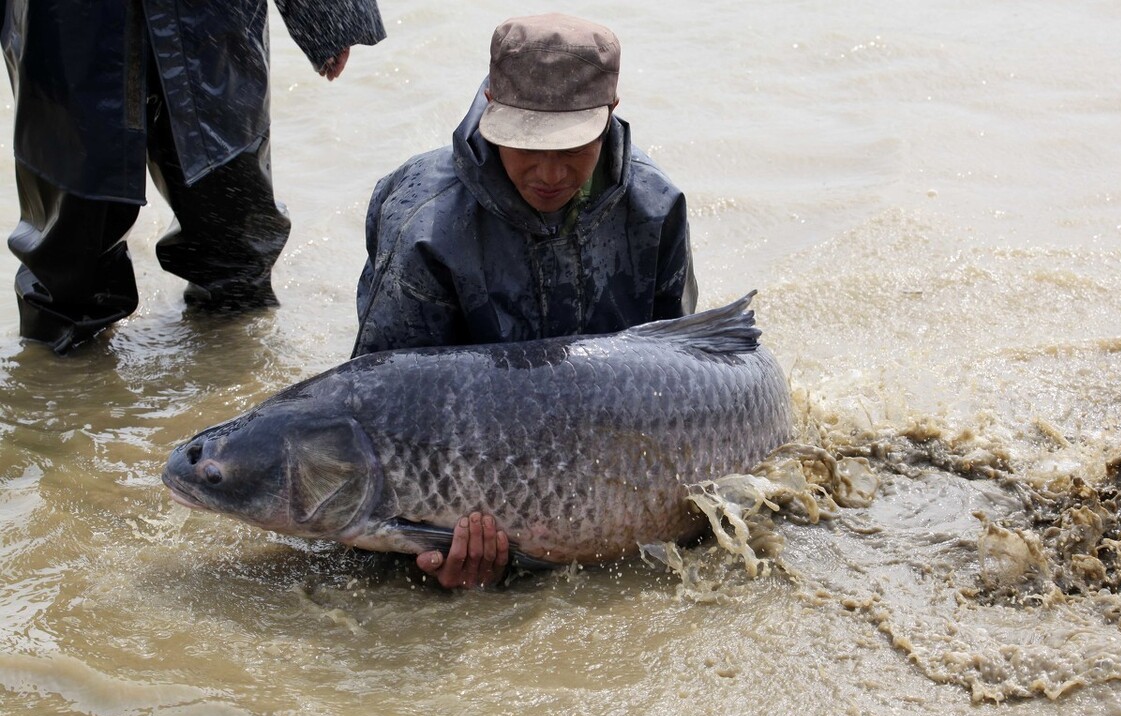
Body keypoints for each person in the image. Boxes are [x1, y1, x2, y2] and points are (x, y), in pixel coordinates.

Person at [352, 13, 698, 589]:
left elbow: (679, 367)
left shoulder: (655, 206)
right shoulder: (422, 224)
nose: (549, 172)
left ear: (610, 113)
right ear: (490, 106)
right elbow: (383, 405)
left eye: (572, 148)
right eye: (526, 145)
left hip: (609, 447)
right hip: (467, 462)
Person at [2, 0, 386, 354]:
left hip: (208, 22)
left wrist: (326, 17)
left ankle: (234, 378)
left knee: (233, 233)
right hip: (64, 22)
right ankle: (57, 398)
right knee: (67, 255)